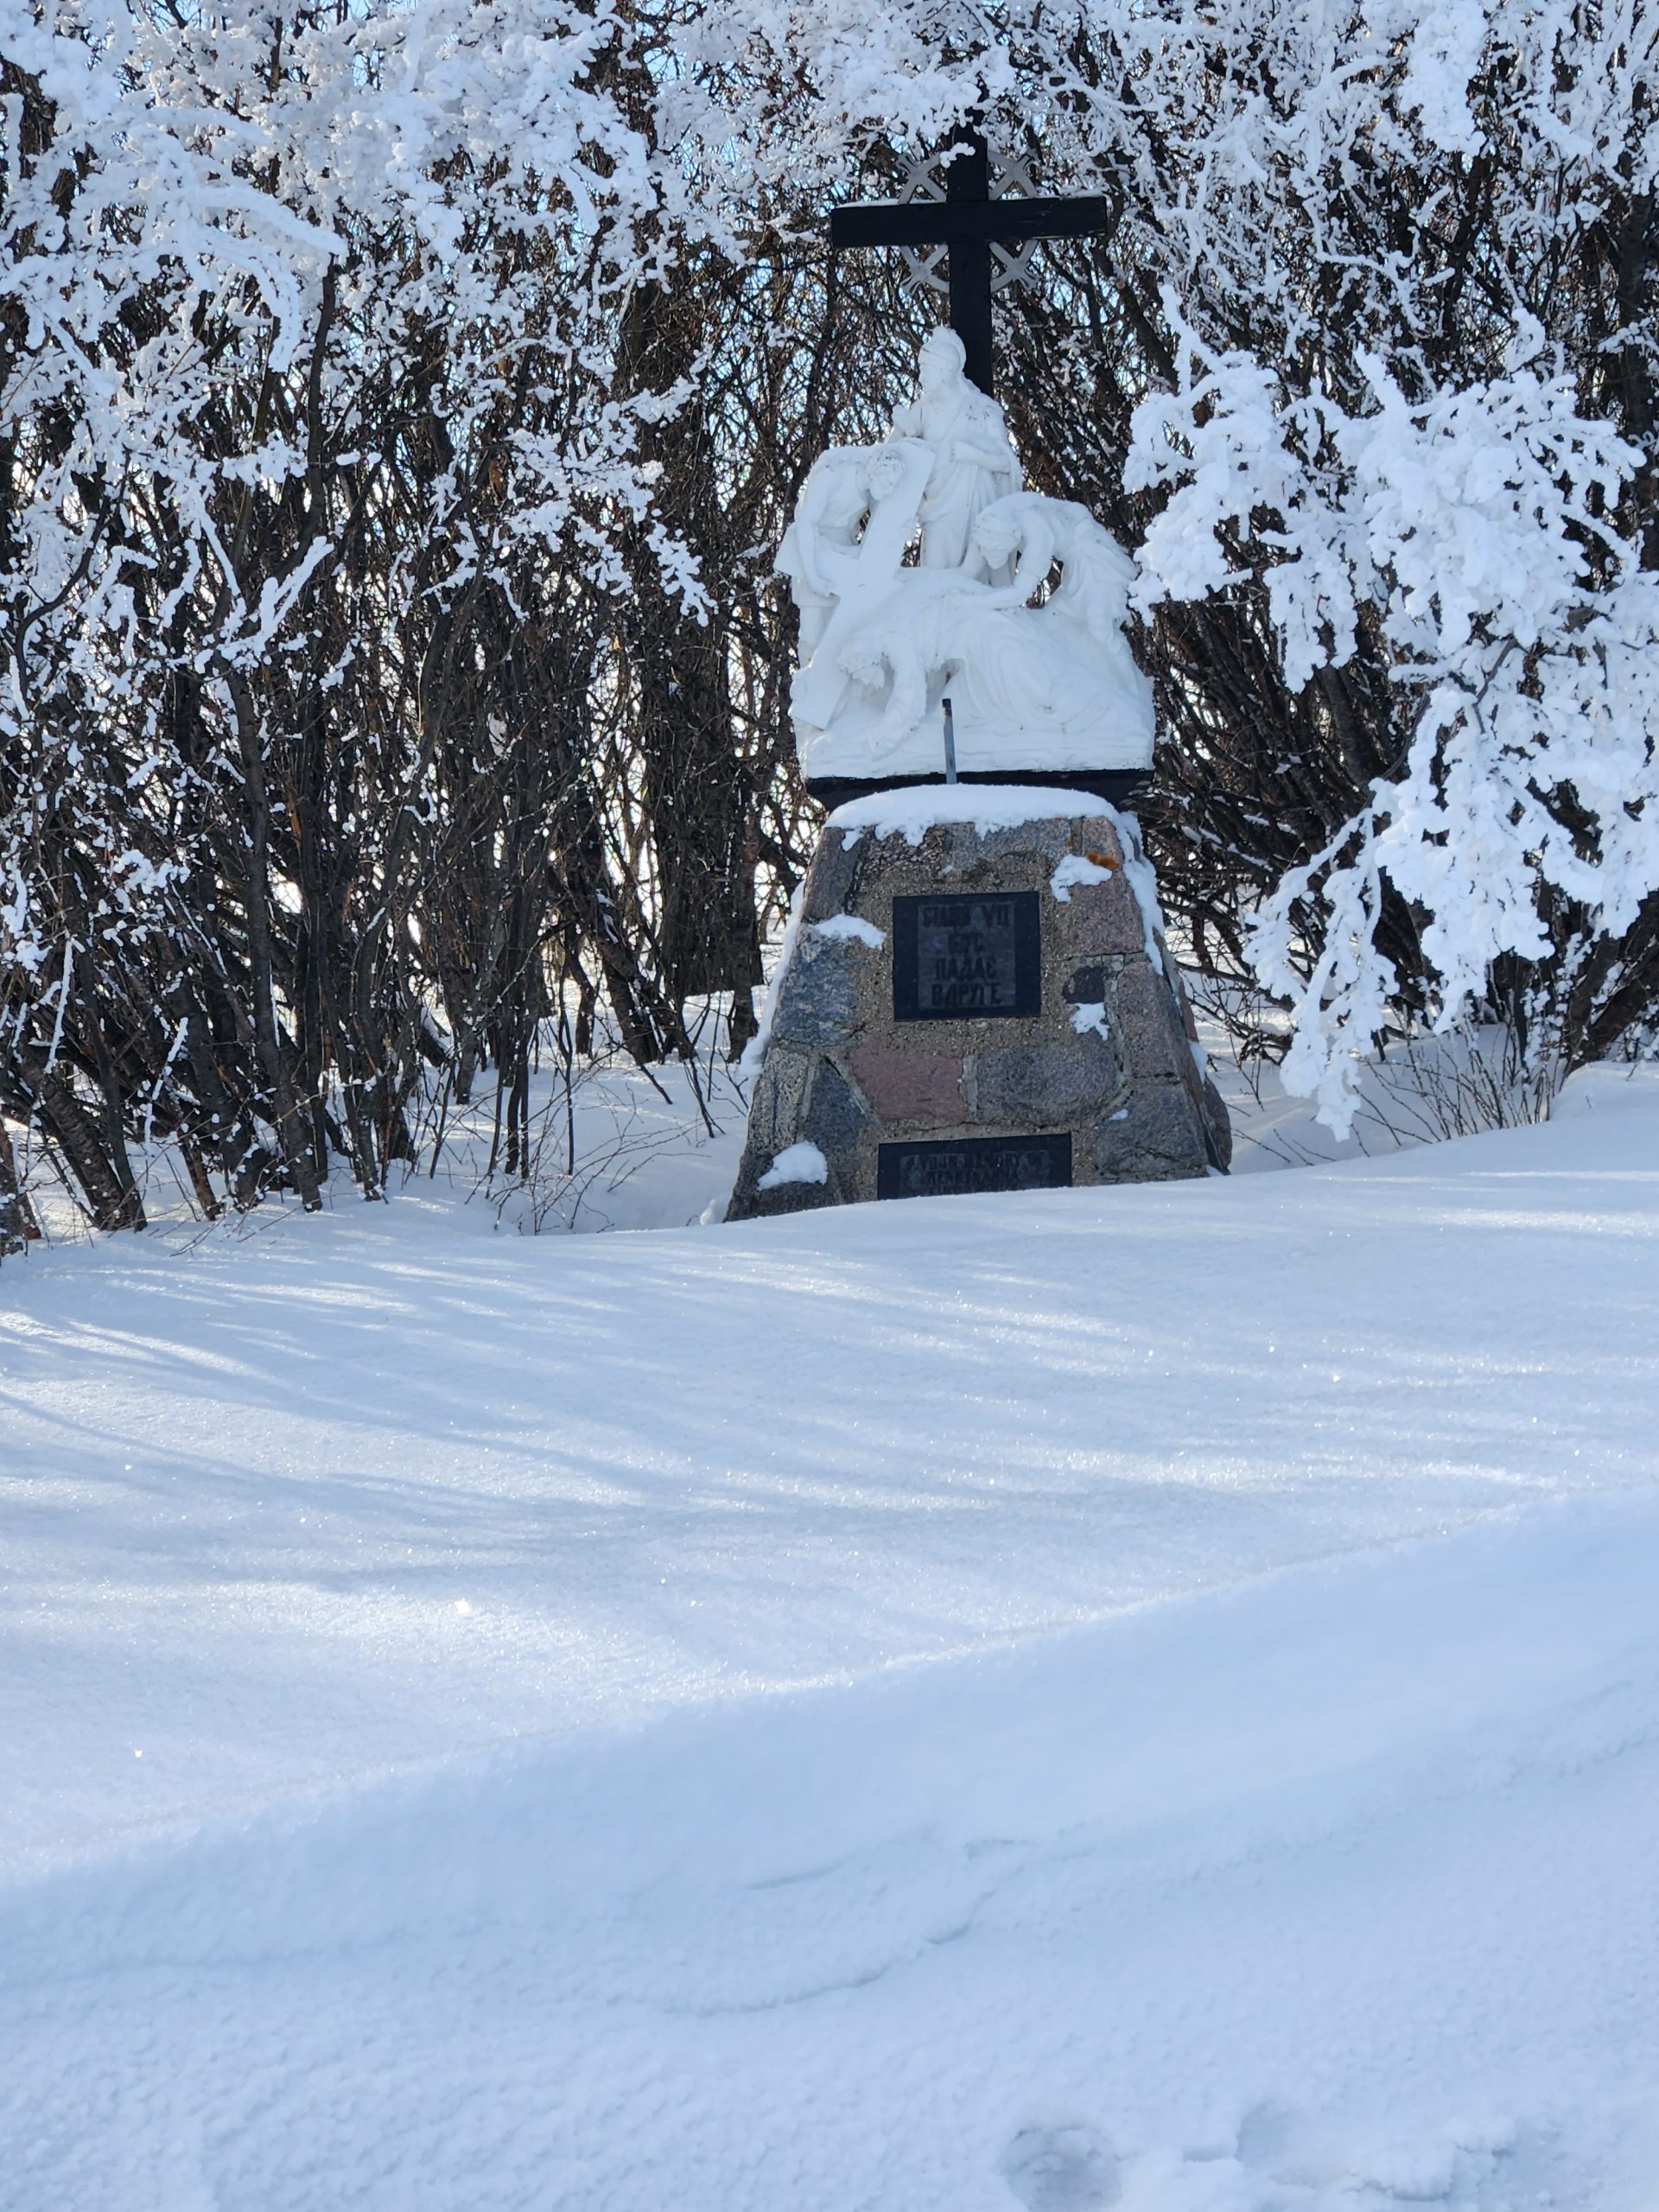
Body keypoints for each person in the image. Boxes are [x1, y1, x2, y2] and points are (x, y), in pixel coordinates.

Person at [888, 327, 1020, 577]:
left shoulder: (982, 410)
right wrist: (899, 427)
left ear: (945, 369)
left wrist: (974, 456)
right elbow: (889, 453)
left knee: (976, 584)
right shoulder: (923, 409)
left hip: (977, 507)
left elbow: (1006, 464)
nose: (921, 376)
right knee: (936, 579)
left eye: (926, 369)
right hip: (938, 510)